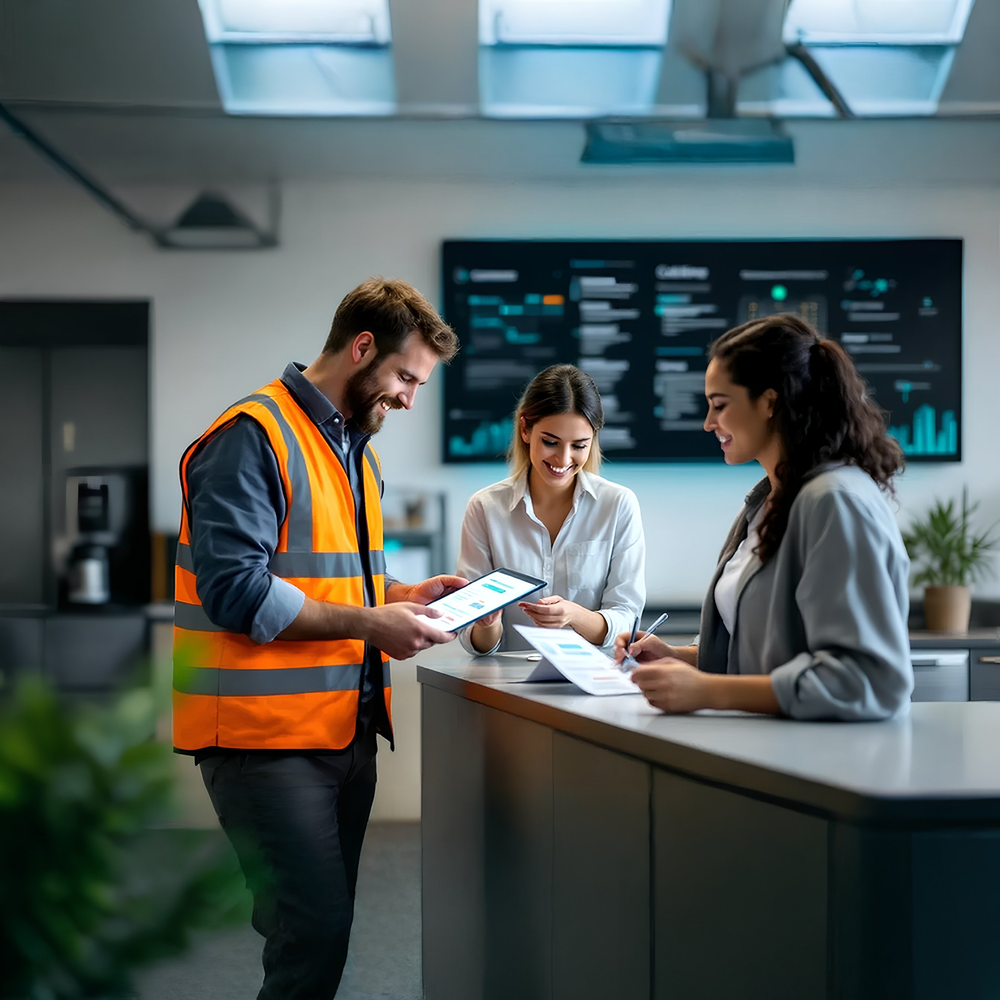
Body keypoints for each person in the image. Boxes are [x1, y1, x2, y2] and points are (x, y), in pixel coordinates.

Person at [172, 277, 464, 1000]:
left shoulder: (357, 451)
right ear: (361, 348)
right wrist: (374, 622)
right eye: (404, 377)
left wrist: (404, 597)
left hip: (341, 733)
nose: (407, 398)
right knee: (312, 936)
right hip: (261, 741)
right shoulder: (252, 436)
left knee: (313, 937)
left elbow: (343, 582)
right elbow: (235, 590)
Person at [617, 313, 913, 720]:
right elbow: (765, 648)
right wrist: (681, 658)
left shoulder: (834, 501)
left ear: (770, 401)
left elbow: (865, 679)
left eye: (720, 405)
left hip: (821, 768)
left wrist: (709, 691)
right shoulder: (768, 500)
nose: (708, 423)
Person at [457, 364, 644, 655]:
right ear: (525, 430)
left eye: (579, 445)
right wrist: (486, 623)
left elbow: (627, 620)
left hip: (592, 687)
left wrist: (574, 615)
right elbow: (475, 642)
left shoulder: (618, 505)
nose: (564, 459)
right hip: (505, 687)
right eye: (550, 442)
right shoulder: (485, 508)